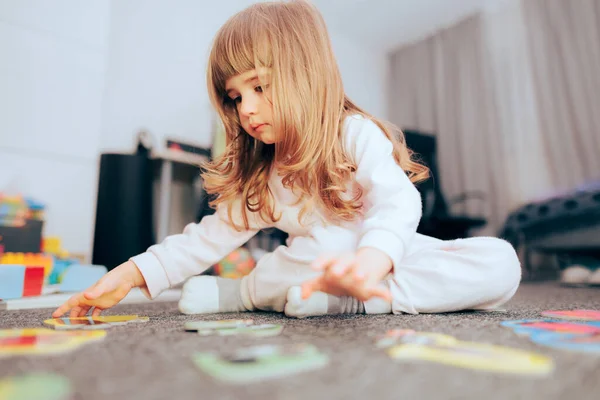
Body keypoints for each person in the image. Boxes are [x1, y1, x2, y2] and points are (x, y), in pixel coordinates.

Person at [53, 0, 521, 320]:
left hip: (386, 261)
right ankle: (244, 293)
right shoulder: (266, 173)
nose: (246, 109)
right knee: (306, 257)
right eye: (235, 97)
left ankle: (359, 302)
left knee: (500, 261)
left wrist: (372, 265)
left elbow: (398, 205)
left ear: (306, 75)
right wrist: (129, 275)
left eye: (259, 87)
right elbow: (206, 239)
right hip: (311, 269)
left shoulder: (352, 133)